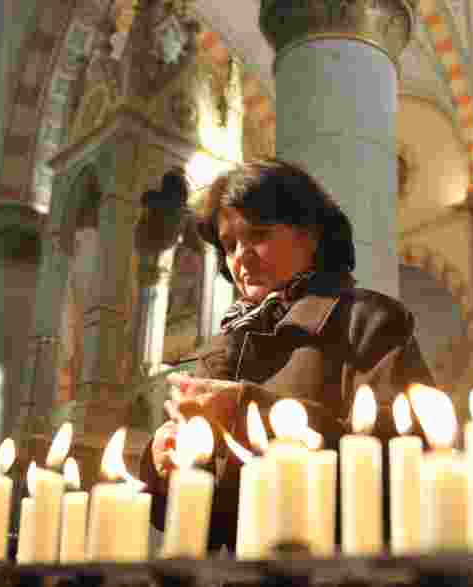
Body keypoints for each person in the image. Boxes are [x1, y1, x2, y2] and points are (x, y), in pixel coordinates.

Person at [139, 159, 435, 558]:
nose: (240, 257)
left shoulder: (367, 322)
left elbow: (402, 464)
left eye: (257, 235)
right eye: (229, 245)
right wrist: (165, 465)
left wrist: (249, 412)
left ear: (310, 236)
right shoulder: (218, 352)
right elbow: (204, 524)